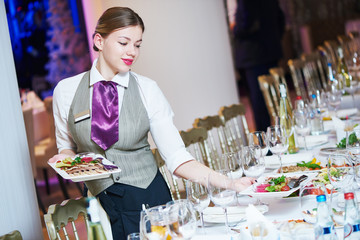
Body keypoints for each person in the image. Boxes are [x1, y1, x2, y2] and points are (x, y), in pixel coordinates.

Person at [49, 7, 255, 240]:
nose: (132, 52)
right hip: (99, 205)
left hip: (149, 203)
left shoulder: (148, 90)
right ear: (99, 41)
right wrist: (66, 161)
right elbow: (67, 148)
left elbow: (177, 158)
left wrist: (230, 183)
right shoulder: (66, 91)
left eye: (137, 45)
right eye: (123, 42)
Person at [233, 0, 285, 131]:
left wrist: (235, 29)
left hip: (253, 55)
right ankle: (279, 138)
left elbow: (245, 23)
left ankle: (266, 146)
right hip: (271, 52)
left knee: (260, 107)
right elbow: (280, 19)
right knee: (274, 101)